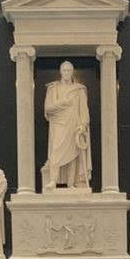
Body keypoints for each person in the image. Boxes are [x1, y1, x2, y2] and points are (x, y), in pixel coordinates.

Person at [41, 61, 92, 190]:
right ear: (60, 71)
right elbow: (48, 107)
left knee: (74, 153)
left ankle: (71, 183)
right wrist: (62, 102)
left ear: (72, 72)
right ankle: (53, 181)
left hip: (74, 124)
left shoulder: (79, 89)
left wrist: (83, 124)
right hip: (58, 124)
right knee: (56, 151)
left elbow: (84, 110)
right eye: (64, 70)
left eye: (69, 70)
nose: (66, 73)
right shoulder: (53, 88)